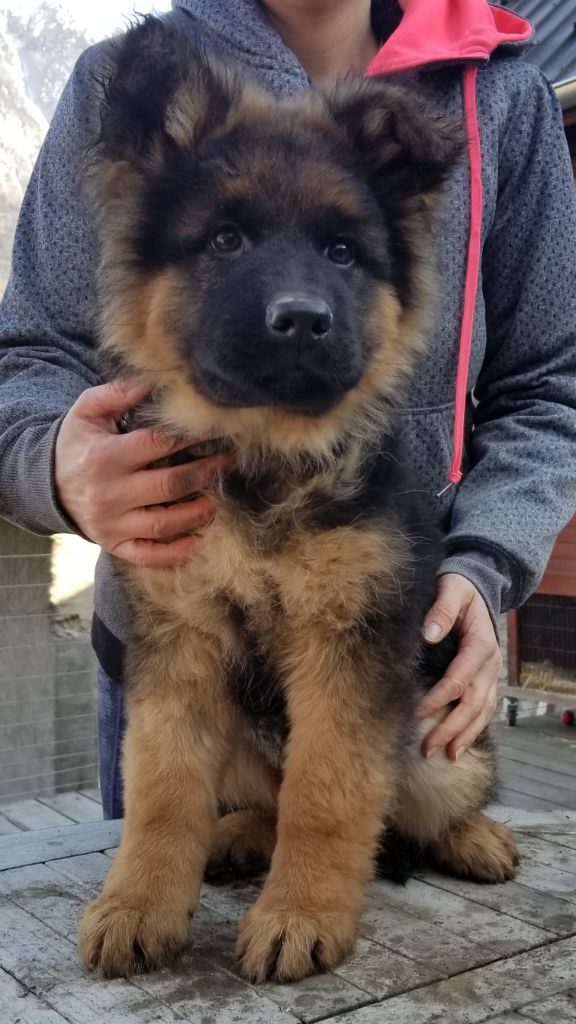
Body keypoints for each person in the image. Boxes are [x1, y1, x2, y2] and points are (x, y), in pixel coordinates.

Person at [1, 0, 575, 820]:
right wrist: (53, 463)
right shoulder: (140, 81)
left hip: (402, 666)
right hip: (177, 671)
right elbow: (28, 354)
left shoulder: (501, 93)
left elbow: (551, 380)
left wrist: (486, 568)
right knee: (159, 916)